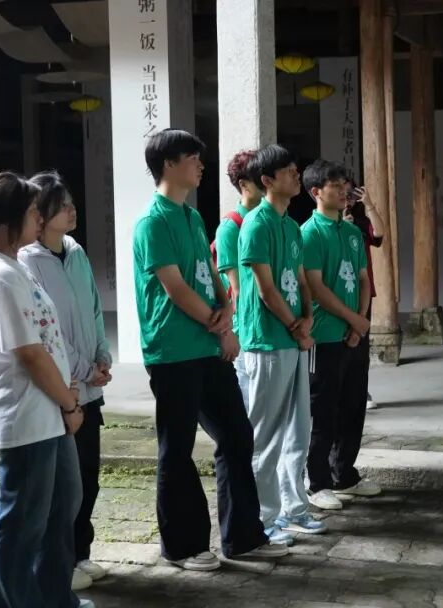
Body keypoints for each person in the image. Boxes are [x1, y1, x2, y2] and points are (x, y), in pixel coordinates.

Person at [133, 129, 287, 571]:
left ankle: (243, 536)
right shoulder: (153, 222)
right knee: (177, 449)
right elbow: (176, 287)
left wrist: (226, 319)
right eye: (192, 158)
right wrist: (215, 323)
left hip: (206, 343)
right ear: (168, 165)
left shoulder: (193, 217)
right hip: (173, 349)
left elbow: (211, 274)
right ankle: (182, 546)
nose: (201, 166)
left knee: (237, 434)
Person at [0, 172, 91, 608]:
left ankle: (55, 598)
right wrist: (70, 402)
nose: (39, 218)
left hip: (47, 412)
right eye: (33, 212)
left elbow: (44, 342)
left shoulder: (14, 266)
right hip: (26, 416)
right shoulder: (0, 275)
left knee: (60, 509)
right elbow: (30, 354)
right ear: (6, 220)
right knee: (22, 523)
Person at [19, 171, 113, 591]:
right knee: (62, 485)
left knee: (87, 476)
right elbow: (47, 331)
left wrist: (102, 356)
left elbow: (92, 309)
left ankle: (79, 552)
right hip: (60, 387)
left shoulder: (75, 252)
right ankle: (57, 561)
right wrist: (82, 368)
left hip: (88, 386)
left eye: (71, 202)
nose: (72, 210)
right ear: (40, 214)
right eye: (62, 205)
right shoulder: (27, 262)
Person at [238, 144, 326, 541]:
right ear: (267, 180)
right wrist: (295, 325)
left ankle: (294, 508)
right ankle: (264, 517)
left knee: (298, 429)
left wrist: (307, 317)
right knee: (265, 435)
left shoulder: (291, 226)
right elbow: (266, 289)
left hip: (293, 338)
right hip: (268, 341)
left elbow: (302, 280)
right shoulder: (255, 225)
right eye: (289, 171)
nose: (296, 175)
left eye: (296, 169)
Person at [300, 160, 381, 512]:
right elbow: (316, 287)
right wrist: (354, 321)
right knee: (324, 410)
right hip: (326, 334)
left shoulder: (351, 232)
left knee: (353, 406)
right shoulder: (309, 233)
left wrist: (359, 321)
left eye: (345, 184)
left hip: (353, 332)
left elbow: (363, 279)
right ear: (316, 192)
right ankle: (317, 482)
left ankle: (344, 474)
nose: (344, 190)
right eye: (335, 185)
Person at [215, 150, 263, 403]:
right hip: (246, 329)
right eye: (260, 178)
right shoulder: (230, 227)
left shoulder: (267, 220)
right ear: (244, 184)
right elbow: (238, 290)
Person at [343, 187, 385, 410]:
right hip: (338, 293)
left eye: (350, 193)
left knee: (360, 344)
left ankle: (361, 391)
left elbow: (379, 234)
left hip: (362, 291)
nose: (346, 197)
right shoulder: (322, 226)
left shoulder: (360, 224)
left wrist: (369, 204)